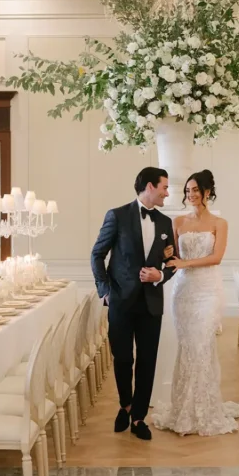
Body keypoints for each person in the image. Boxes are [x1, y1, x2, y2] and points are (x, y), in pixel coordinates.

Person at [152, 170, 239, 436]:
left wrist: (185, 262)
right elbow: (172, 255)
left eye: (195, 190)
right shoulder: (178, 222)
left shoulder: (220, 223)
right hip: (184, 292)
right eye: (187, 191)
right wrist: (169, 254)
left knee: (203, 346)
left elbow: (216, 257)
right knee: (187, 347)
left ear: (207, 192)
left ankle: (205, 410)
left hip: (208, 290)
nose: (190, 195)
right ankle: (184, 408)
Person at [90, 167, 177, 441]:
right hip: (120, 302)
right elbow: (97, 254)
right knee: (123, 358)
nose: (167, 192)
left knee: (147, 361)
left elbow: (172, 262)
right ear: (150, 186)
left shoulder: (165, 222)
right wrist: (104, 290)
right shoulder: (116, 215)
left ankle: (139, 417)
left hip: (151, 303)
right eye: (164, 187)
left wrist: (160, 275)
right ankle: (124, 405)